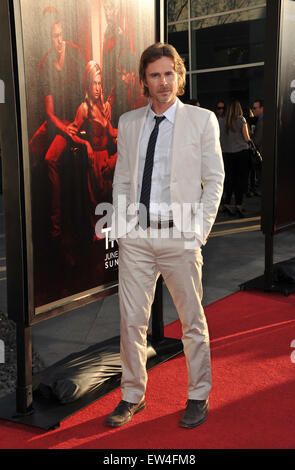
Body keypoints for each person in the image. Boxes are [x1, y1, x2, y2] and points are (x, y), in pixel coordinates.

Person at [106, 42, 224, 428]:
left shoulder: (202, 120)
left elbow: (215, 180)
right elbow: (123, 179)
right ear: (144, 80)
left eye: (169, 73)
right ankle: (132, 395)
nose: (163, 82)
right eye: (155, 75)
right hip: (138, 238)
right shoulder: (129, 122)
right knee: (131, 321)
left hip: (181, 236)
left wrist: (199, 232)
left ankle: (198, 394)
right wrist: (124, 229)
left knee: (192, 320)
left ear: (179, 75)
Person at [30, 7, 86, 242]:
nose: (59, 40)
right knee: (31, 148)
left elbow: (86, 97)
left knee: (50, 159)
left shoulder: (75, 55)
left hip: (76, 117)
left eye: (61, 34)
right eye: (55, 36)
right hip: (57, 121)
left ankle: (56, 226)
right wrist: (64, 128)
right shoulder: (45, 63)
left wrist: (76, 124)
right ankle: (40, 212)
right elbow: (49, 112)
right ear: (49, 38)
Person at [70, 61, 117, 230]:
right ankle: (96, 242)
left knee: (109, 199)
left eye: (99, 83)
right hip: (94, 160)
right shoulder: (83, 108)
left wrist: (129, 132)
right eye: (94, 83)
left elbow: (111, 132)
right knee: (95, 201)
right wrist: (86, 144)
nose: (97, 88)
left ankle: (106, 238)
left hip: (107, 159)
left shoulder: (103, 107)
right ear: (88, 85)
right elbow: (72, 133)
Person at [221, 100, 250, 217]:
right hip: (241, 153)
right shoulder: (241, 120)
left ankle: (227, 203)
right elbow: (247, 138)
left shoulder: (221, 121)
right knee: (240, 179)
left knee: (229, 179)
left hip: (226, 153)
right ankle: (239, 204)